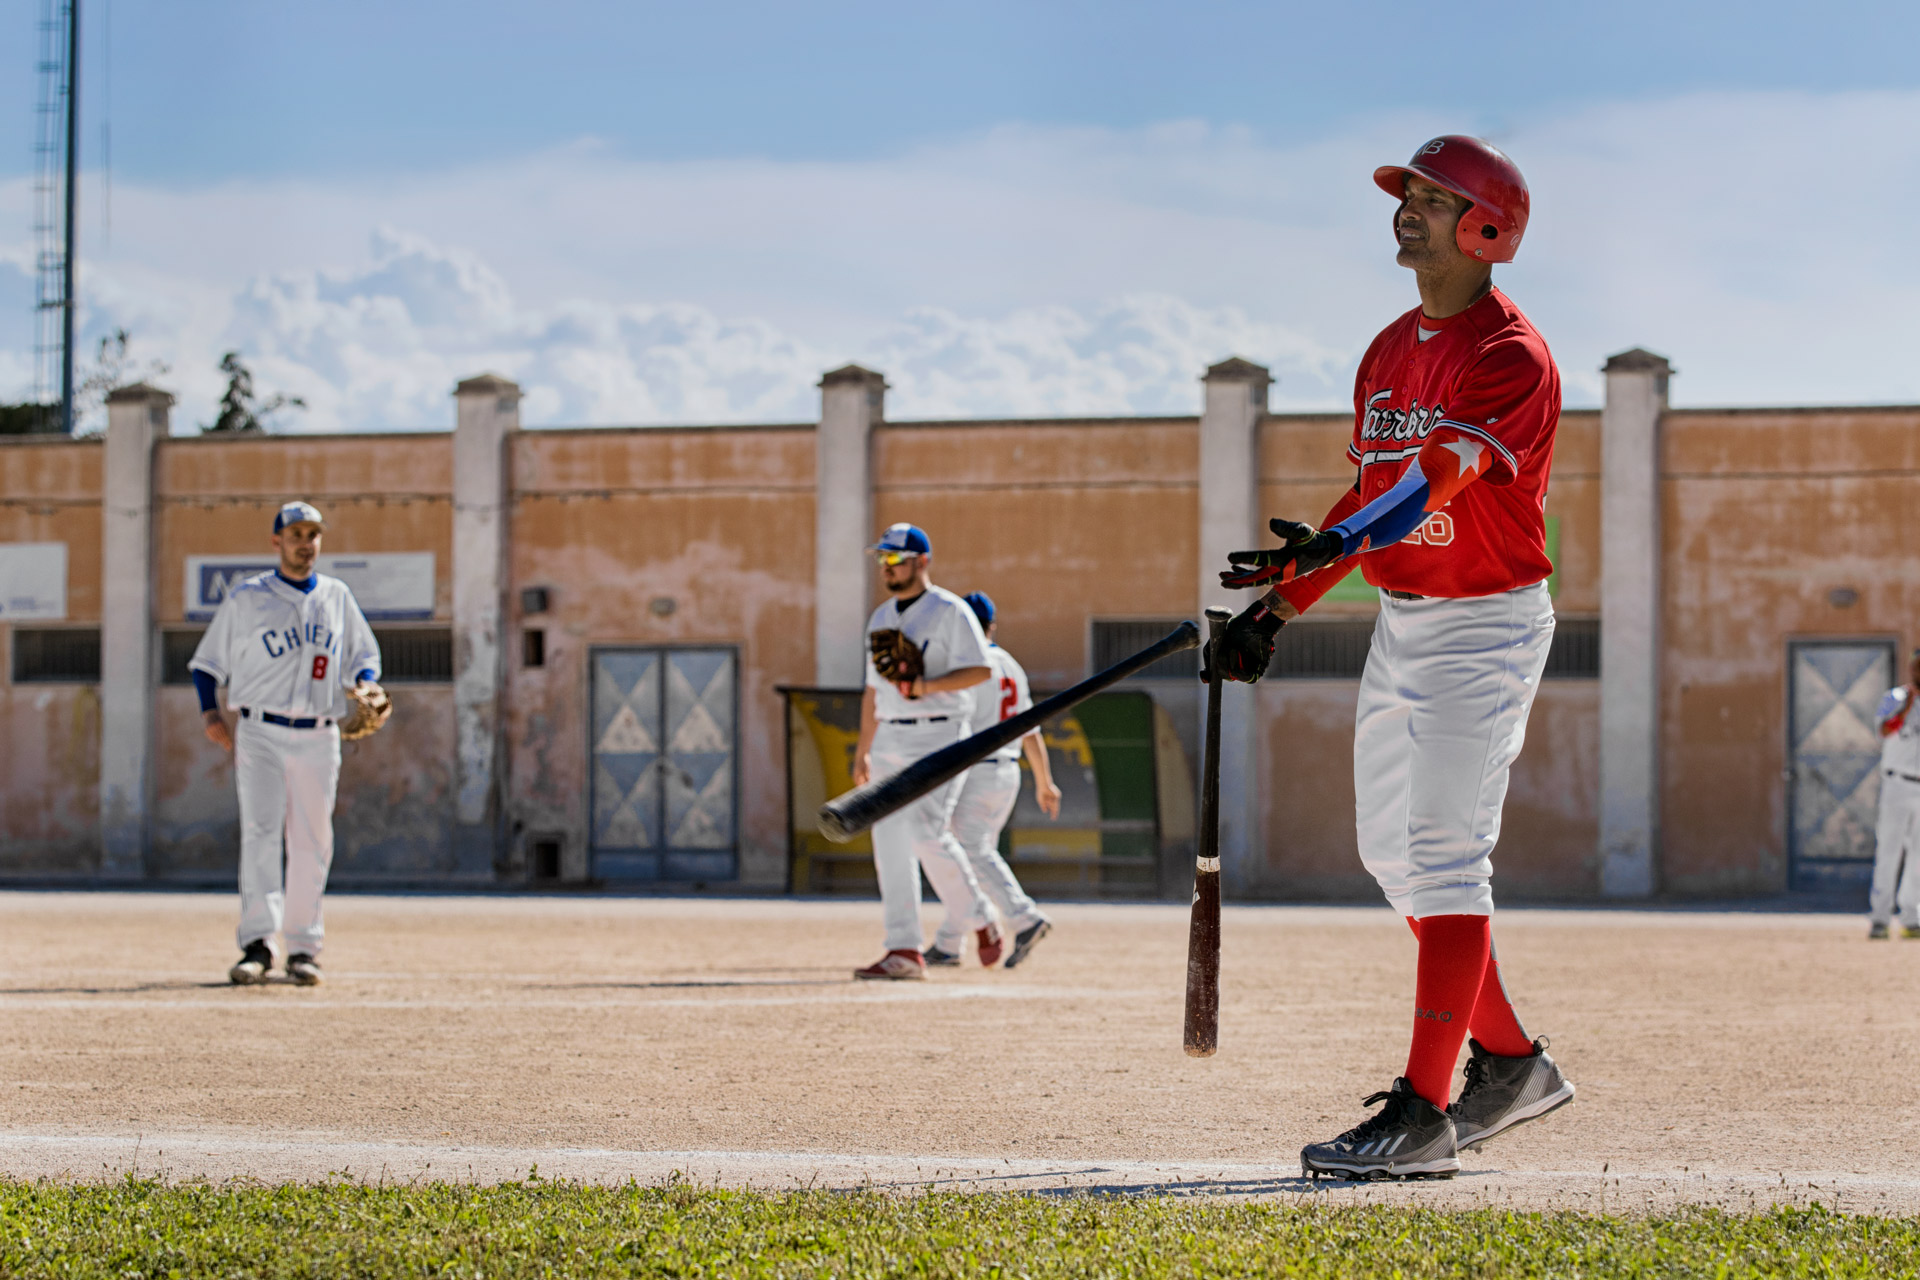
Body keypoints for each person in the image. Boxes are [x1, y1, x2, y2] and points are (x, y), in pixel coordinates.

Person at [1211, 136, 1574, 1180]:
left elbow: (1442, 478)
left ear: (1487, 228)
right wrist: (1281, 604)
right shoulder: (1385, 350)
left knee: (1446, 852)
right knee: (1395, 856)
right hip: (1407, 619)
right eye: (1406, 196)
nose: (1407, 211)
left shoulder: (1510, 351)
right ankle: (1509, 1061)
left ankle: (1424, 1111)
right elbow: (1366, 500)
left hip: (1490, 622)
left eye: (1431, 198)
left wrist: (1345, 540)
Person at [190, 501, 384, 987]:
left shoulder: (337, 597)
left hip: (320, 733)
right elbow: (205, 663)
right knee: (260, 833)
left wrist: (367, 683)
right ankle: (258, 944)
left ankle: (303, 948)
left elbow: (364, 656)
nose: (305, 542)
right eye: (295, 533)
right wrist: (210, 711)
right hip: (260, 730)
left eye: (312, 533)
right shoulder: (248, 597)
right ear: (276, 541)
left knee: (313, 840)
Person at [850, 523, 1002, 980]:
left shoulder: (951, 610)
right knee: (889, 840)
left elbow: (979, 671)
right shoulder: (880, 617)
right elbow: (872, 691)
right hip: (891, 735)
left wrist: (926, 685)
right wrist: (863, 750)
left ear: (922, 561)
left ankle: (980, 918)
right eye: (882, 560)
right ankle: (904, 949)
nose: (887, 568)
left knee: (924, 831)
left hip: (940, 733)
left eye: (895, 559)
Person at [921, 591, 1062, 970]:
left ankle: (1024, 918)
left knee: (967, 852)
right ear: (992, 625)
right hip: (1008, 771)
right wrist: (1044, 780)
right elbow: (1029, 727)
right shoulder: (1011, 664)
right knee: (972, 858)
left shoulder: (970, 663)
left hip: (977, 770)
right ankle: (950, 942)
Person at [1868, 648, 1920, 940]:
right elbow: (1885, 731)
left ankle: (1911, 917)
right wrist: (1907, 706)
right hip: (1897, 784)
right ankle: (1880, 918)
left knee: (1918, 857)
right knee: (1889, 851)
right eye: (1917, 665)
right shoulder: (1895, 697)